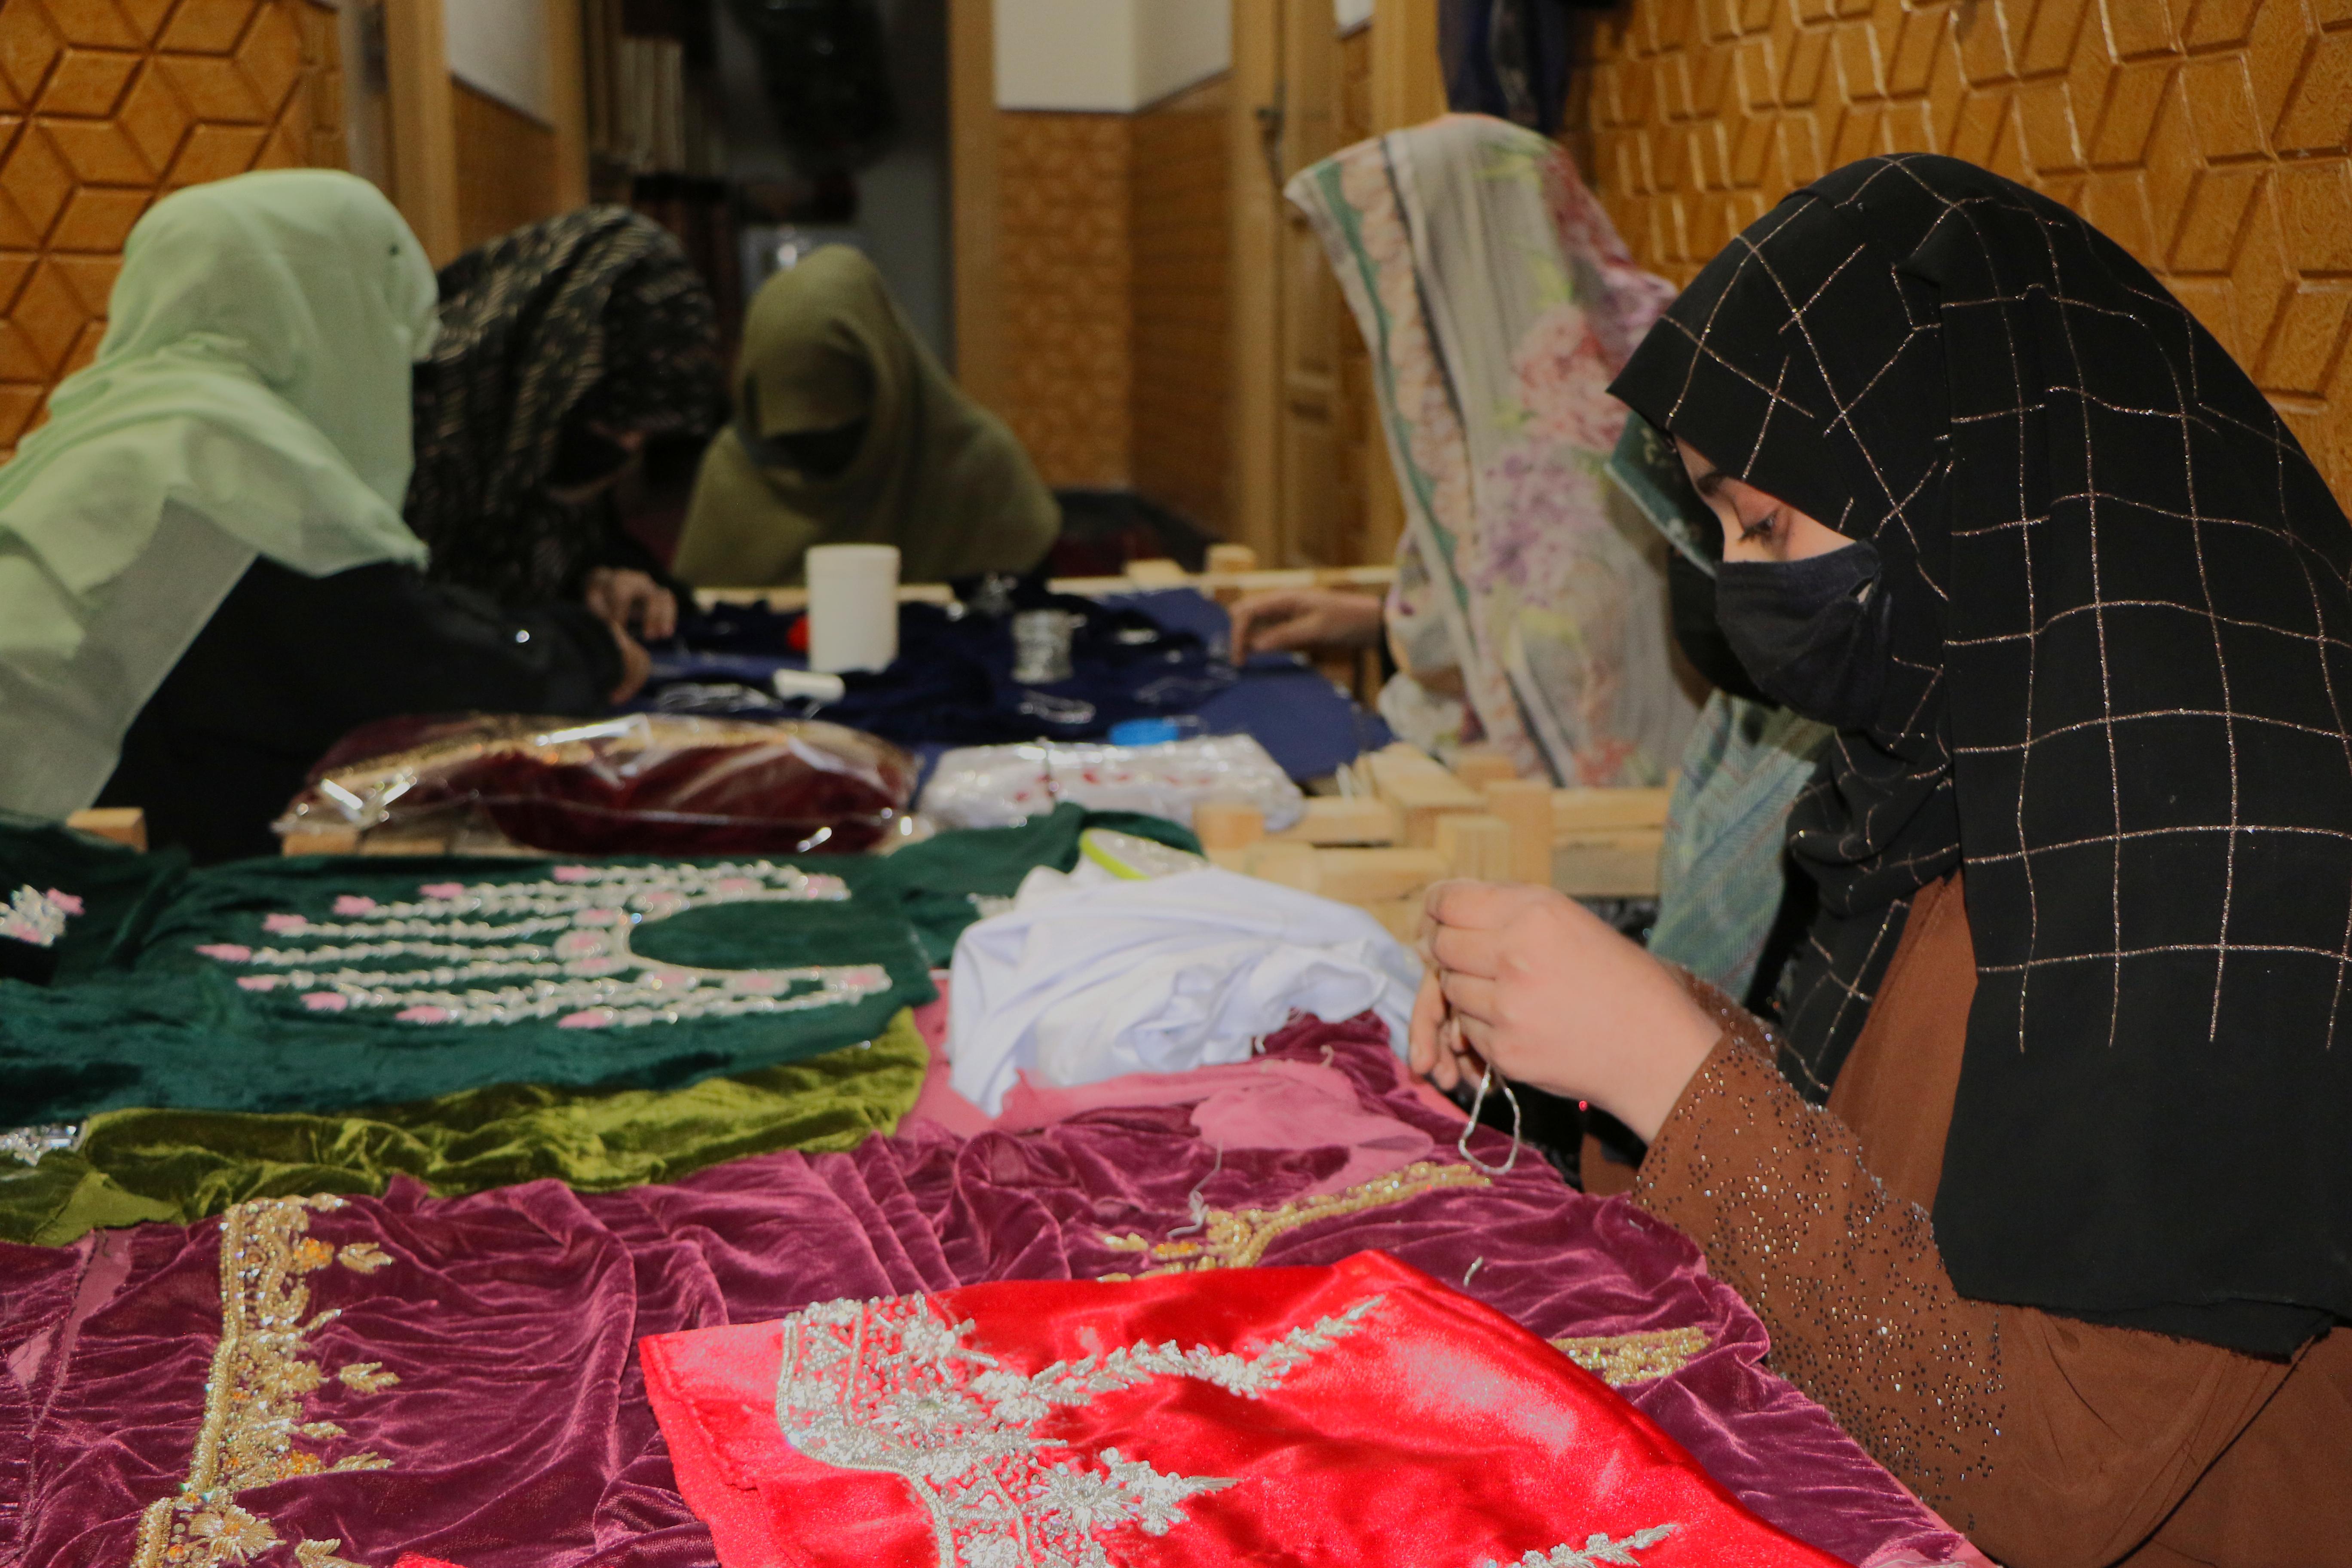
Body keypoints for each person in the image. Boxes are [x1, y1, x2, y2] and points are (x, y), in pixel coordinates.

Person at [1414, 153, 2352, 1563]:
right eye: (1724, 527)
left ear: (1946, 476)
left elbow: (2044, 1475)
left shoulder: (2234, 855)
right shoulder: (1963, 764)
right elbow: (1872, 1180)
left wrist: (1665, 1066)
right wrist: (1578, 1051)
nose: (1743, 585)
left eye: (1769, 522)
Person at [0, 171, 644, 864]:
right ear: (334, 313)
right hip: (53, 900)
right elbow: (415, 673)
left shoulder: (109, 433)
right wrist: (592, 649)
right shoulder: (218, 460)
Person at [1234, 114, 1695, 787]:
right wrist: (1363, 620)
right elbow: (1501, 612)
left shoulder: (1602, 427)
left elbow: (1561, 659)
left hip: (1547, 821)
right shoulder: (1506, 407)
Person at [407, 207, 728, 639]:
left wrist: (613, 581)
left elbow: (574, 540)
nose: (626, 450)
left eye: (644, 435)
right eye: (611, 427)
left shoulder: (546, 429)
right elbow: (410, 624)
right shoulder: (422, 425)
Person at [670, 245, 1058, 588]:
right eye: (792, 445)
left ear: (887, 391)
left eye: (840, 434)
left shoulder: (977, 466)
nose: (817, 464)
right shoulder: (735, 472)